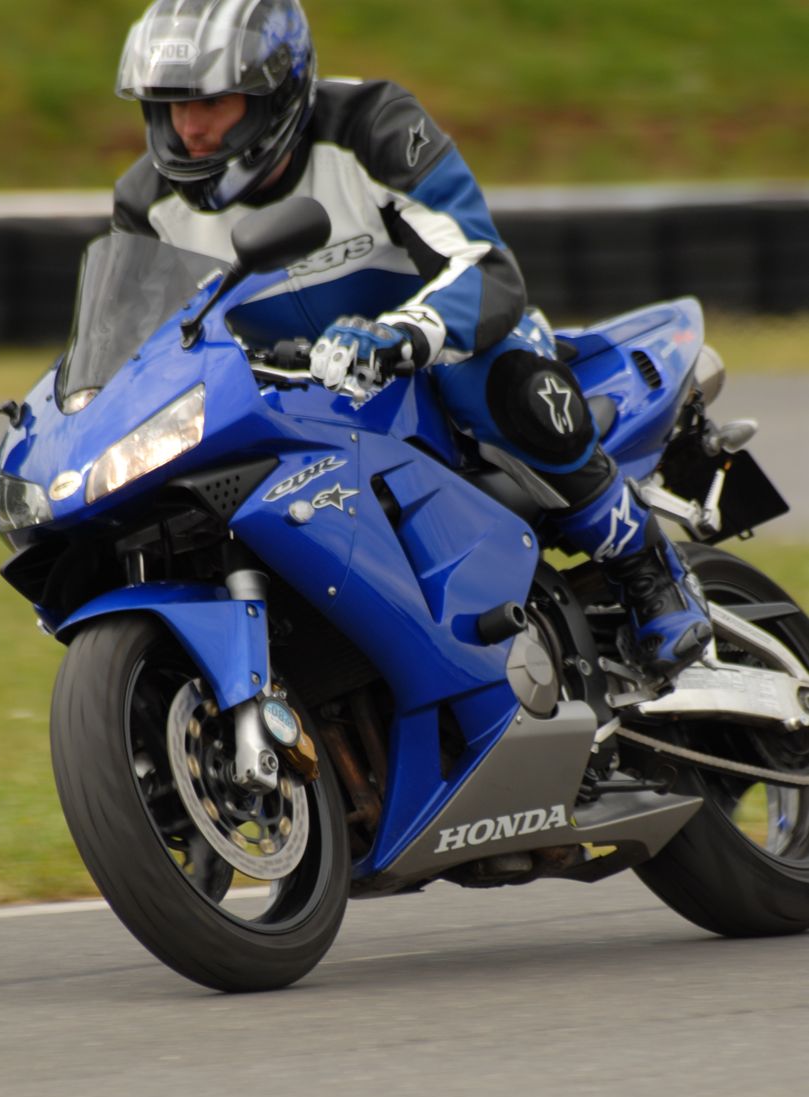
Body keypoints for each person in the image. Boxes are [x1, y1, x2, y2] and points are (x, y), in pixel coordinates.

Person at [112, 0, 711, 680]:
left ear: (274, 94)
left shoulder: (371, 127)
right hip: (293, 397)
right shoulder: (145, 203)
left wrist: (401, 335)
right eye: (167, 105)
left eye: (212, 102)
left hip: (434, 352)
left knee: (485, 375)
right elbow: (135, 348)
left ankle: (644, 567)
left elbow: (484, 266)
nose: (187, 127)